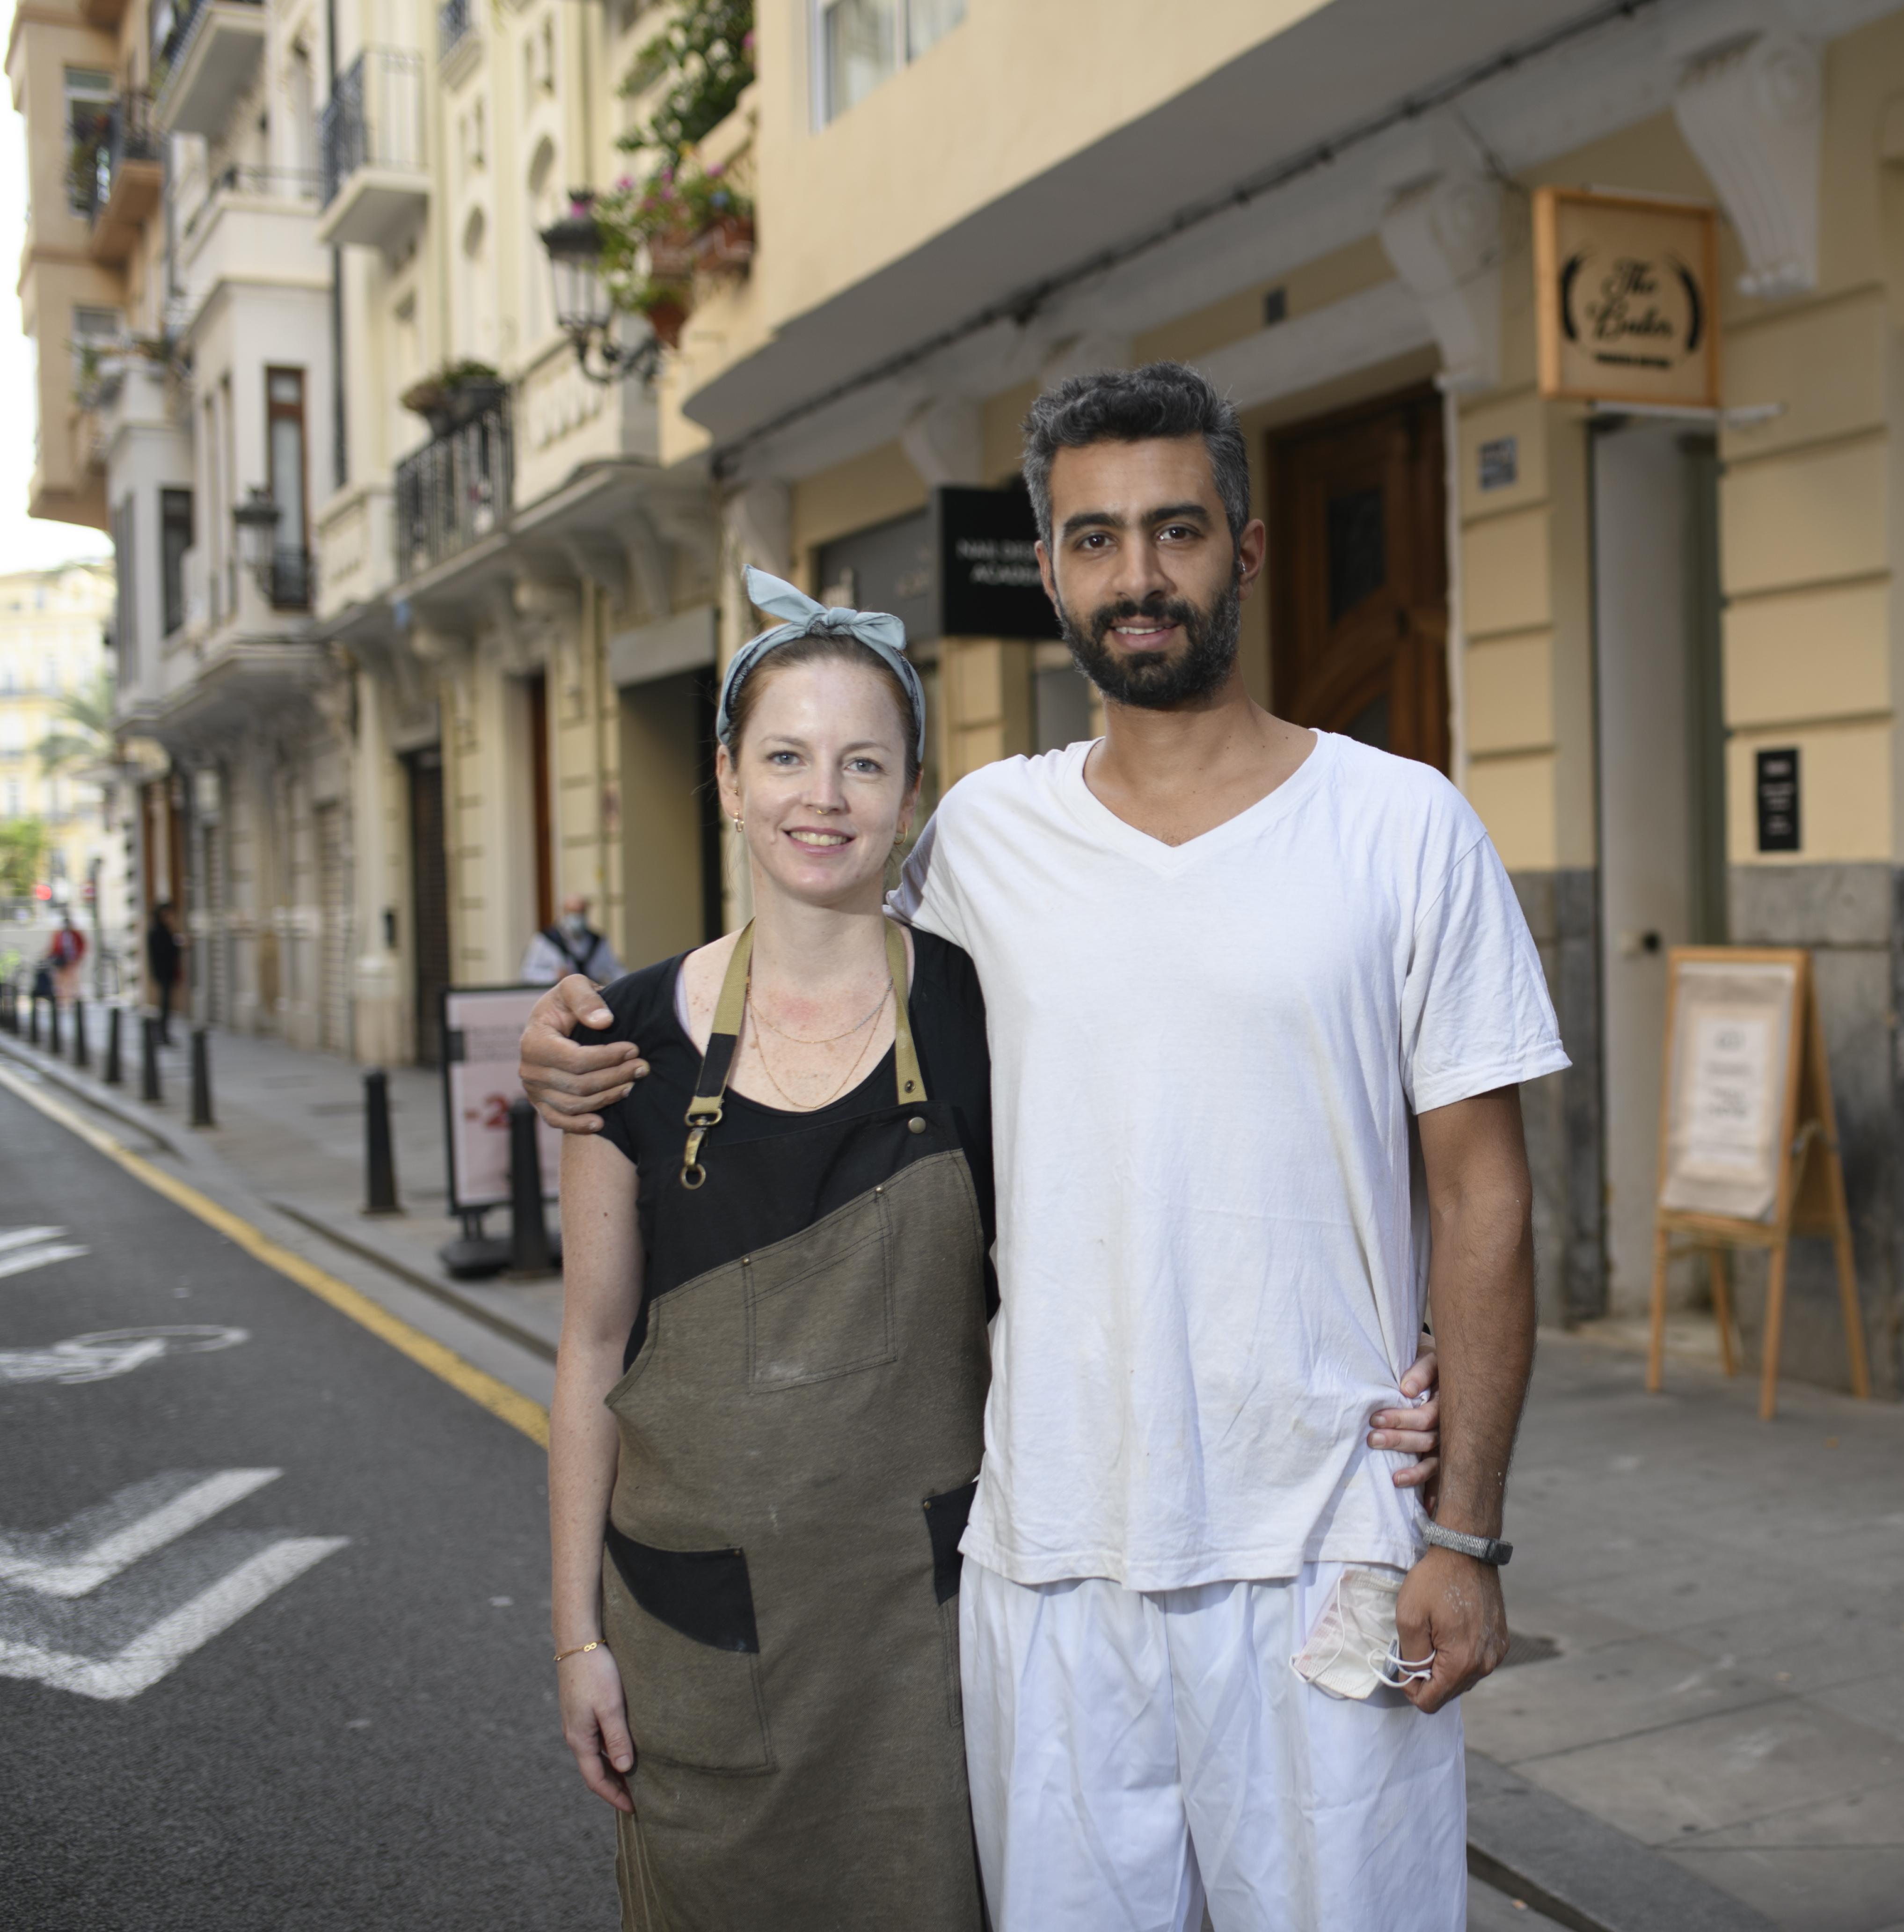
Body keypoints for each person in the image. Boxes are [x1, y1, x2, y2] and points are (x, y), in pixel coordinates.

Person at [525, 363, 1557, 1932]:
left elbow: (1488, 1193)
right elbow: (806, 913)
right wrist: (592, 1040)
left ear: (1248, 548)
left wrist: (1467, 1526)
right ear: (1051, 568)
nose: (1135, 577)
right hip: (1048, 1566)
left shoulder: (1402, 826)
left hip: (1327, 1549)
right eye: (1091, 539)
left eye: (1173, 532)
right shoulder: (983, 840)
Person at [521, 894, 622, 986]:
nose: (577, 917)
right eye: (573, 912)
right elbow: (528, 974)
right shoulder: (545, 940)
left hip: (591, 996)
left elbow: (615, 971)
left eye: (581, 912)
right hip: (560, 996)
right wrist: (554, 976)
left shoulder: (597, 941)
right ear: (564, 913)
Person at [146, 900, 183, 1044]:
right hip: (164, 972)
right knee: (165, 1003)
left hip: (164, 972)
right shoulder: (159, 931)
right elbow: (166, 952)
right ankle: (162, 1032)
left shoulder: (159, 930)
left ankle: (161, 1031)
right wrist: (178, 945)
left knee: (166, 1003)